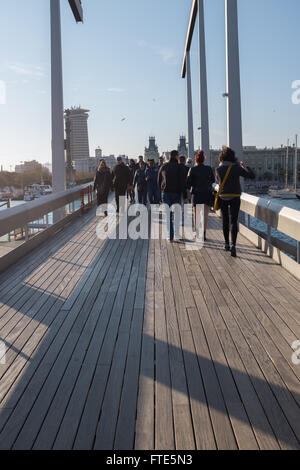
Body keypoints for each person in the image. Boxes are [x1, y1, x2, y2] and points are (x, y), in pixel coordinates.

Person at [216, 146, 255, 257]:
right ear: (232, 157)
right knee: (234, 221)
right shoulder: (237, 168)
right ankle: (234, 245)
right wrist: (245, 167)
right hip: (235, 196)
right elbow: (251, 176)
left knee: (225, 221)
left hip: (223, 196)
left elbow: (219, 182)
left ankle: (226, 244)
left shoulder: (218, 169)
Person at [158, 150, 188, 241]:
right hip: (176, 194)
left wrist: (161, 192)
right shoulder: (180, 167)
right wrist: (185, 196)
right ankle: (177, 235)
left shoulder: (163, 166)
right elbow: (183, 182)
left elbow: (158, 181)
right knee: (177, 214)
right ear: (176, 156)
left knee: (168, 215)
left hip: (165, 193)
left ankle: (170, 236)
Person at [187, 150, 215, 241]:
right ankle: (204, 234)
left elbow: (188, 183)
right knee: (205, 215)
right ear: (204, 159)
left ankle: (197, 233)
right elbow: (213, 181)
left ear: (196, 160)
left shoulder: (193, 169)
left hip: (197, 194)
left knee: (196, 215)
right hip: (207, 193)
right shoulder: (209, 169)